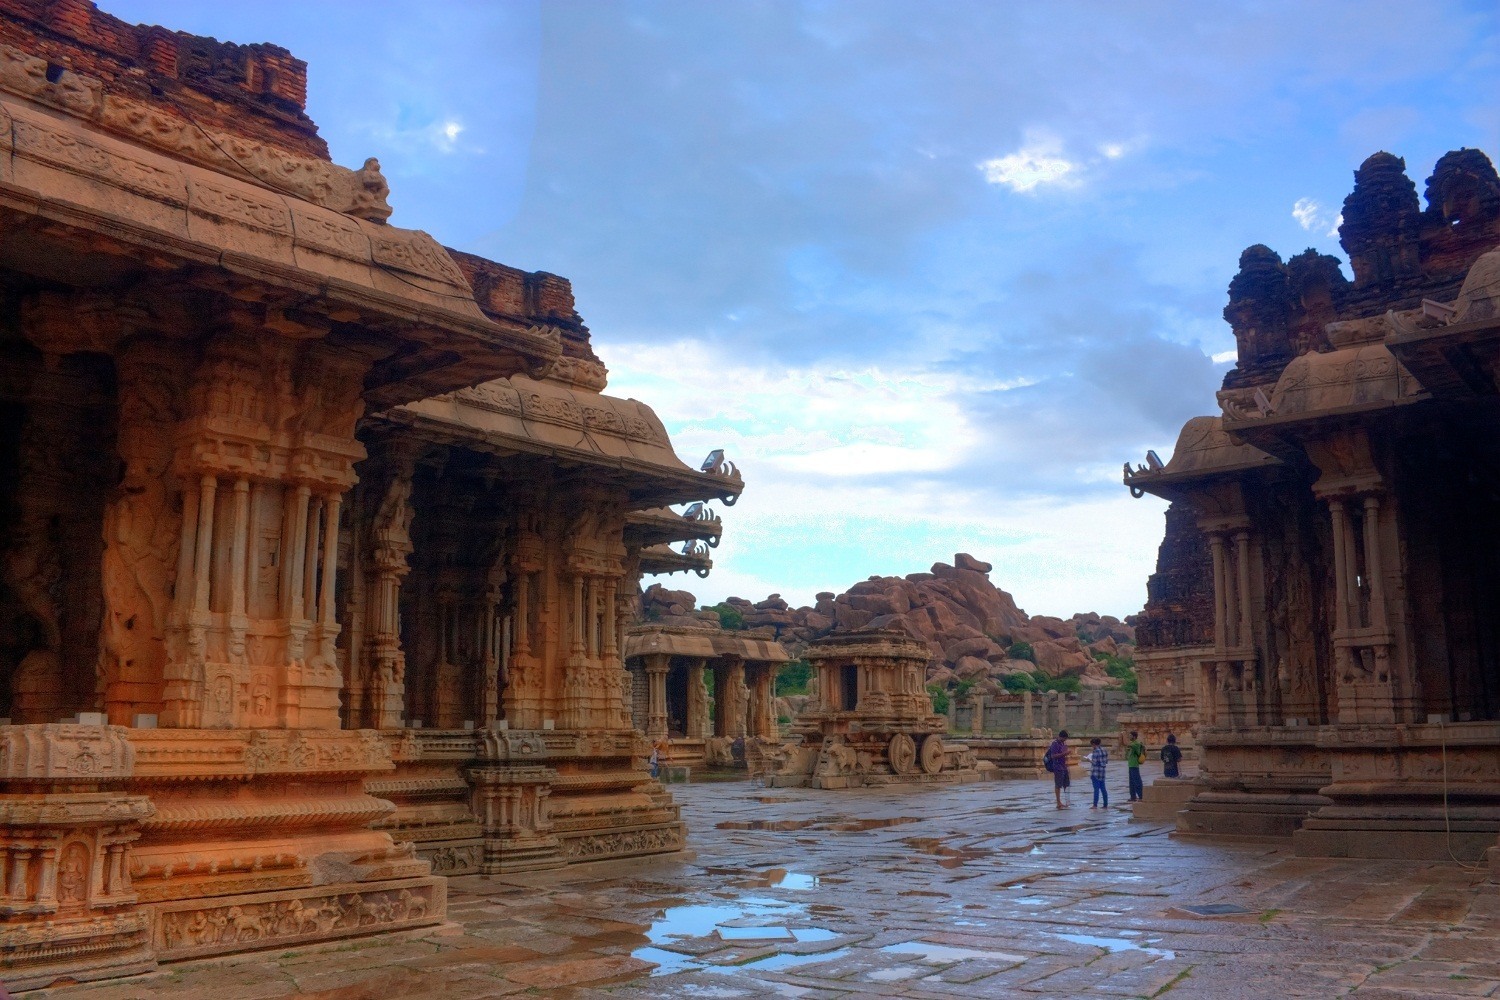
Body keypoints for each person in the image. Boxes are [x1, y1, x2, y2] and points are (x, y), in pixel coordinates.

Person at [1044, 730, 1071, 809]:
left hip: (1063, 766)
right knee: (1058, 785)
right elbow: (1053, 756)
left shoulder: (1063, 743)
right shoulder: (1055, 744)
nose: (1065, 740)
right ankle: (1058, 802)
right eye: (1064, 738)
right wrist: (1064, 753)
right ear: (1060, 737)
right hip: (1057, 767)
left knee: (1066, 784)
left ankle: (1067, 801)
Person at [1085, 737, 1109, 808]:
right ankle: (1105, 804)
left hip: (1095, 772)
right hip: (1102, 772)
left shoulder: (1096, 751)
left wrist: (1089, 760)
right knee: (1103, 789)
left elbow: (1094, 762)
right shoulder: (1104, 750)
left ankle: (1095, 804)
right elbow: (1106, 761)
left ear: (1094, 744)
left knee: (1096, 789)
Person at [1125, 730, 1146, 802]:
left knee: (1137, 781)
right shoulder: (1132, 743)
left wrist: (1122, 736)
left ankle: (1141, 796)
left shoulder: (1136, 743)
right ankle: (1133, 796)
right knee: (1131, 782)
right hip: (1131, 764)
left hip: (1134, 764)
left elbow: (1126, 744)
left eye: (1130, 736)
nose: (1129, 737)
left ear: (1134, 737)